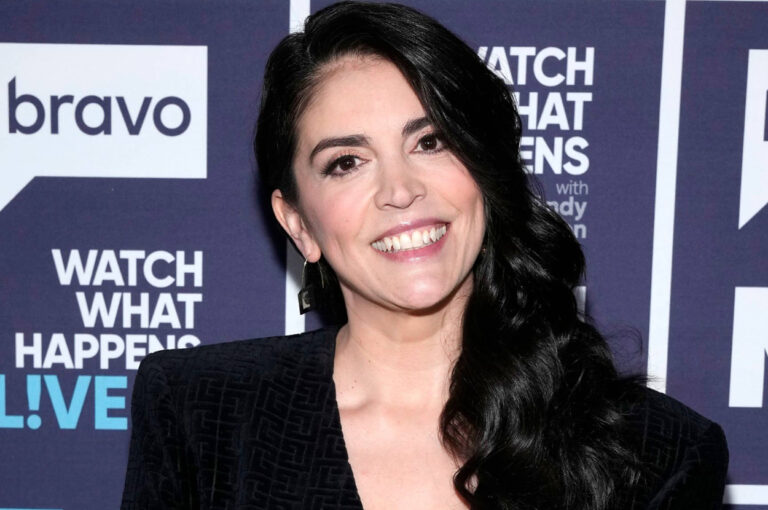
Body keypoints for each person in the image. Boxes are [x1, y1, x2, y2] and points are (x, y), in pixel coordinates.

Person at [121, 2, 728, 509]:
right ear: (299, 224)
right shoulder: (204, 415)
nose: (400, 190)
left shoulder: (655, 451)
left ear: (485, 171)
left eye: (430, 141)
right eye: (346, 162)